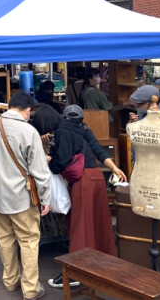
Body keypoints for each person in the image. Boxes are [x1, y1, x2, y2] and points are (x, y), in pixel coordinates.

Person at [34, 105, 125, 288]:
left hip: (83, 180)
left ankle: (75, 272)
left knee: (79, 225)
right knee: (99, 222)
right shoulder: (83, 127)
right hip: (97, 176)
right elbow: (97, 149)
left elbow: (61, 161)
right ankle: (103, 262)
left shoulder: (62, 131)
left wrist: (48, 158)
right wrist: (114, 167)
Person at [0, 93, 51, 300]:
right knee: (28, 241)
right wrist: (45, 198)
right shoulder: (29, 131)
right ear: (27, 110)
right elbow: (39, 171)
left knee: (5, 240)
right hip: (20, 197)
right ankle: (30, 289)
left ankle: (10, 282)